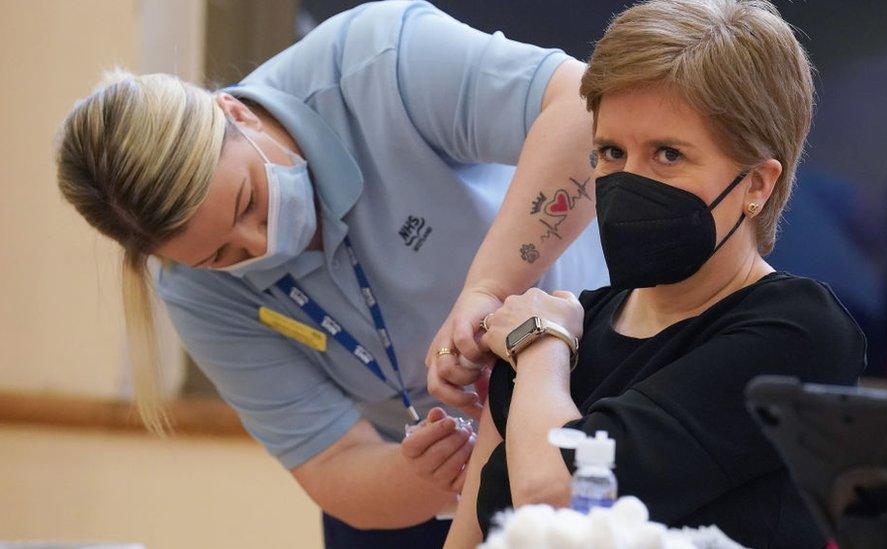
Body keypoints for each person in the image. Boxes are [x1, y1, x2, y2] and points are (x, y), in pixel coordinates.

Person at [54, 1, 607, 546]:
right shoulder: (194, 290)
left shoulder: (377, 61)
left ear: (235, 113)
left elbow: (586, 113)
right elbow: (334, 463)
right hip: (425, 497)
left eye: (248, 201)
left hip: (601, 378)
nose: (260, 243)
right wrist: (422, 472)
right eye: (220, 256)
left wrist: (488, 288)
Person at [437, 1, 867, 547]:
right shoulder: (565, 325)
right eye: (611, 151)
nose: (628, 181)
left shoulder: (797, 332)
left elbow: (558, 494)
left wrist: (540, 348)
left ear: (756, 185)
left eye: (668, 154)